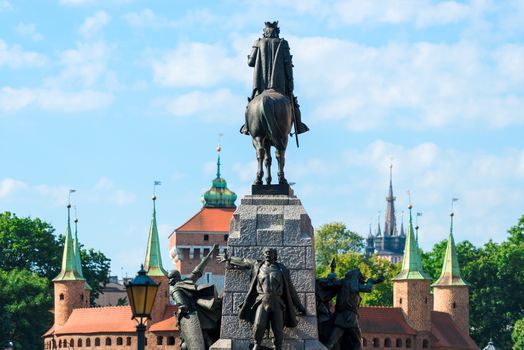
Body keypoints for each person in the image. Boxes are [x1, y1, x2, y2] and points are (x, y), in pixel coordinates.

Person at [217, 247, 307, 350]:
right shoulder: (257, 265)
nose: (268, 254)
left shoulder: (282, 269)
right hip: (262, 301)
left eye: (270, 252)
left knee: (278, 329)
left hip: (277, 302)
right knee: (259, 325)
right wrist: (229, 258)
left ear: (275, 255)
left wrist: (299, 307)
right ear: (263, 254)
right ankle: (257, 344)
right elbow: (243, 261)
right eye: (266, 252)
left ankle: (277, 347)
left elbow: (291, 290)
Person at [240, 21, 309, 136]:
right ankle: (298, 126)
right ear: (277, 32)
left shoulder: (257, 42)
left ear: (265, 32)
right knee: (294, 104)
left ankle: (247, 126)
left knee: (250, 105)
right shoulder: (283, 43)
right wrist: (290, 85)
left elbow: (250, 62)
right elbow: (288, 66)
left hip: (260, 87)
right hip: (279, 86)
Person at [169, 244, 222, 350]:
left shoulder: (175, 289)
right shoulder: (186, 281)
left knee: (186, 346)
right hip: (203, 315)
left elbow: (182, 306)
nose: (169, 281)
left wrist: (178, 317)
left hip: (193, 318)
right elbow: (198, 271)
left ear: (174, 279)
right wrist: (210, 254)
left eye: (170, 279)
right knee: (205, 337)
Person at [321, 268, 384, 350]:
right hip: (350, 318)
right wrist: (371, 281)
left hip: (340, 317)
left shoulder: (342, 283)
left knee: (331, 342)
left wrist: (332, 276)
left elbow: (332, 282)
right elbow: (368, 288)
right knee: (357, 341)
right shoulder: (355, 286)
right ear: (356, 276)